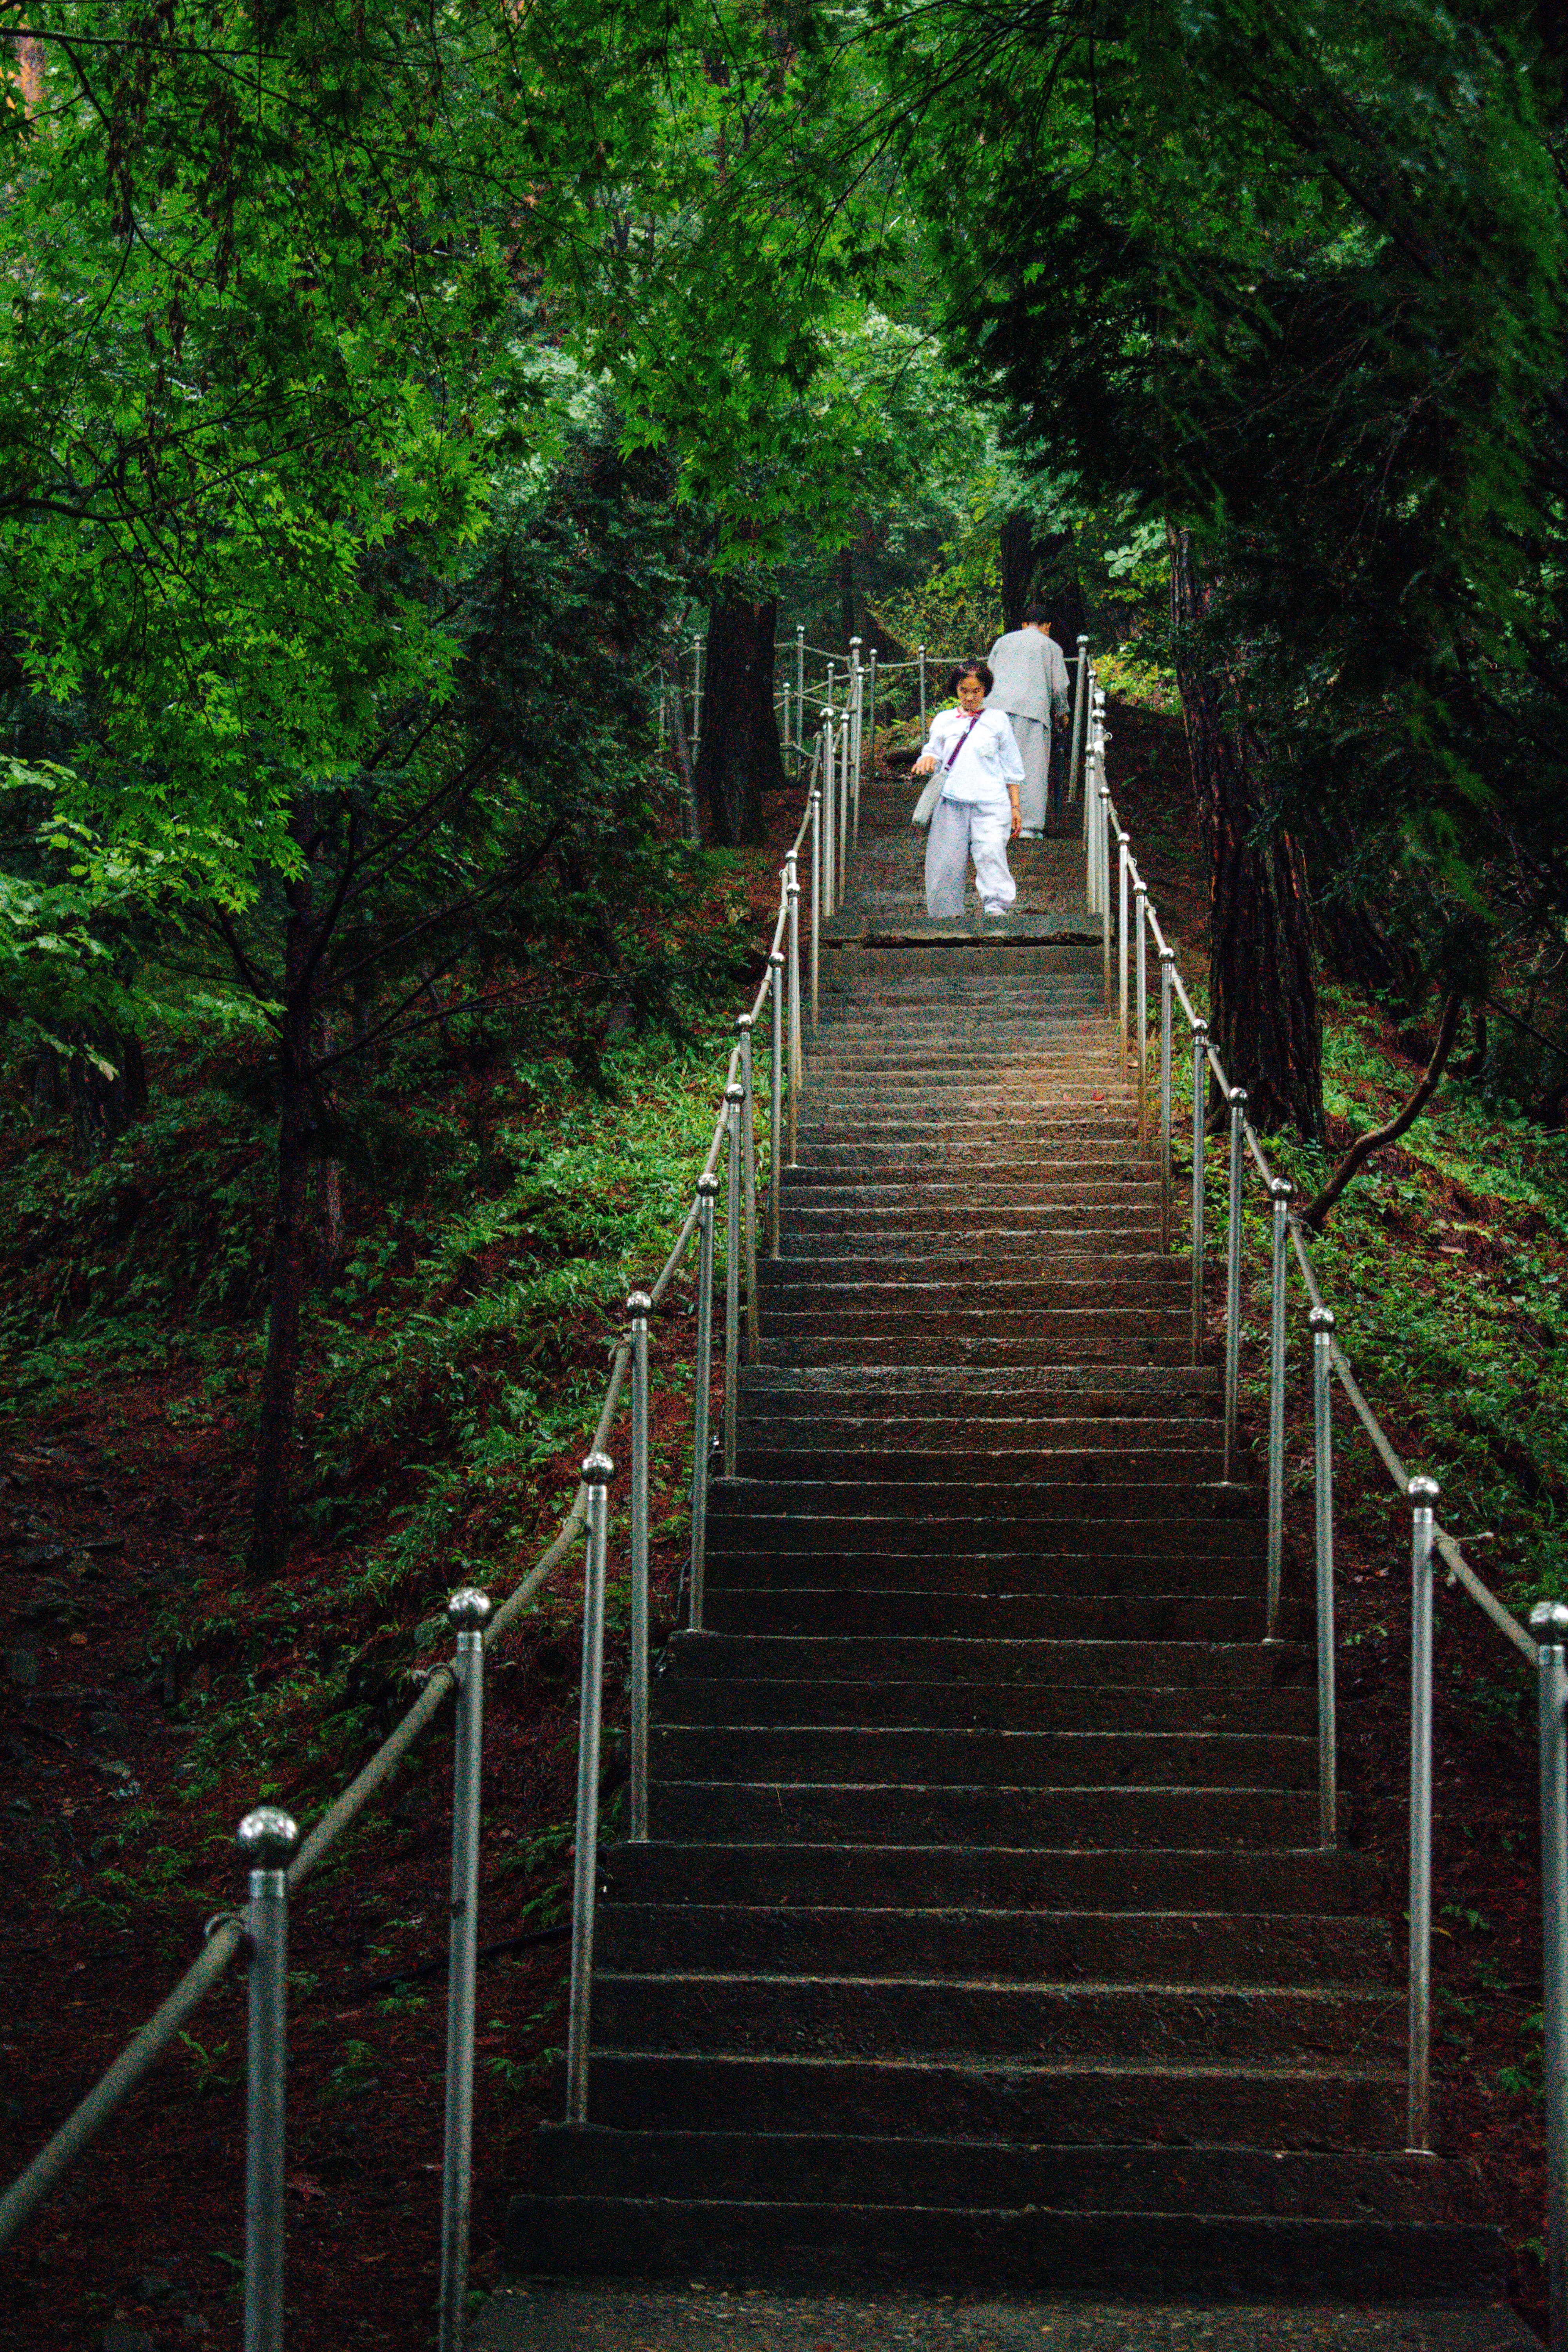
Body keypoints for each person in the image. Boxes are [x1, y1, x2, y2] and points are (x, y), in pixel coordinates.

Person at [911, 661, 1025, 919]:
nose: (970, 697)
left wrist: (1015, 806)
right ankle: (945, 915)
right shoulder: (944, 720)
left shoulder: (998, 720)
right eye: (964, 690)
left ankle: (996, 907)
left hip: (992, 802)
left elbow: (1012, 768)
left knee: (992, 852)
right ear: (957, 690)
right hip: (952, 801)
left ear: (985, 690)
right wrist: (926, 760)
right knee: (946, 861)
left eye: (976, 691)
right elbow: (932, 751)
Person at [985, 605, 1071, 834]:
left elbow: (988, 675)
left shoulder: (1003, 642)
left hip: (996, 710)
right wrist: (1062, 713)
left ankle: (994, 820)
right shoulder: (1051, 647)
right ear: (1048, 626)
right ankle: (1028, 826)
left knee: (997, 764)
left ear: (1024, 623)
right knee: (1031, 769)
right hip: (1033, 711)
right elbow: (1059, 687)